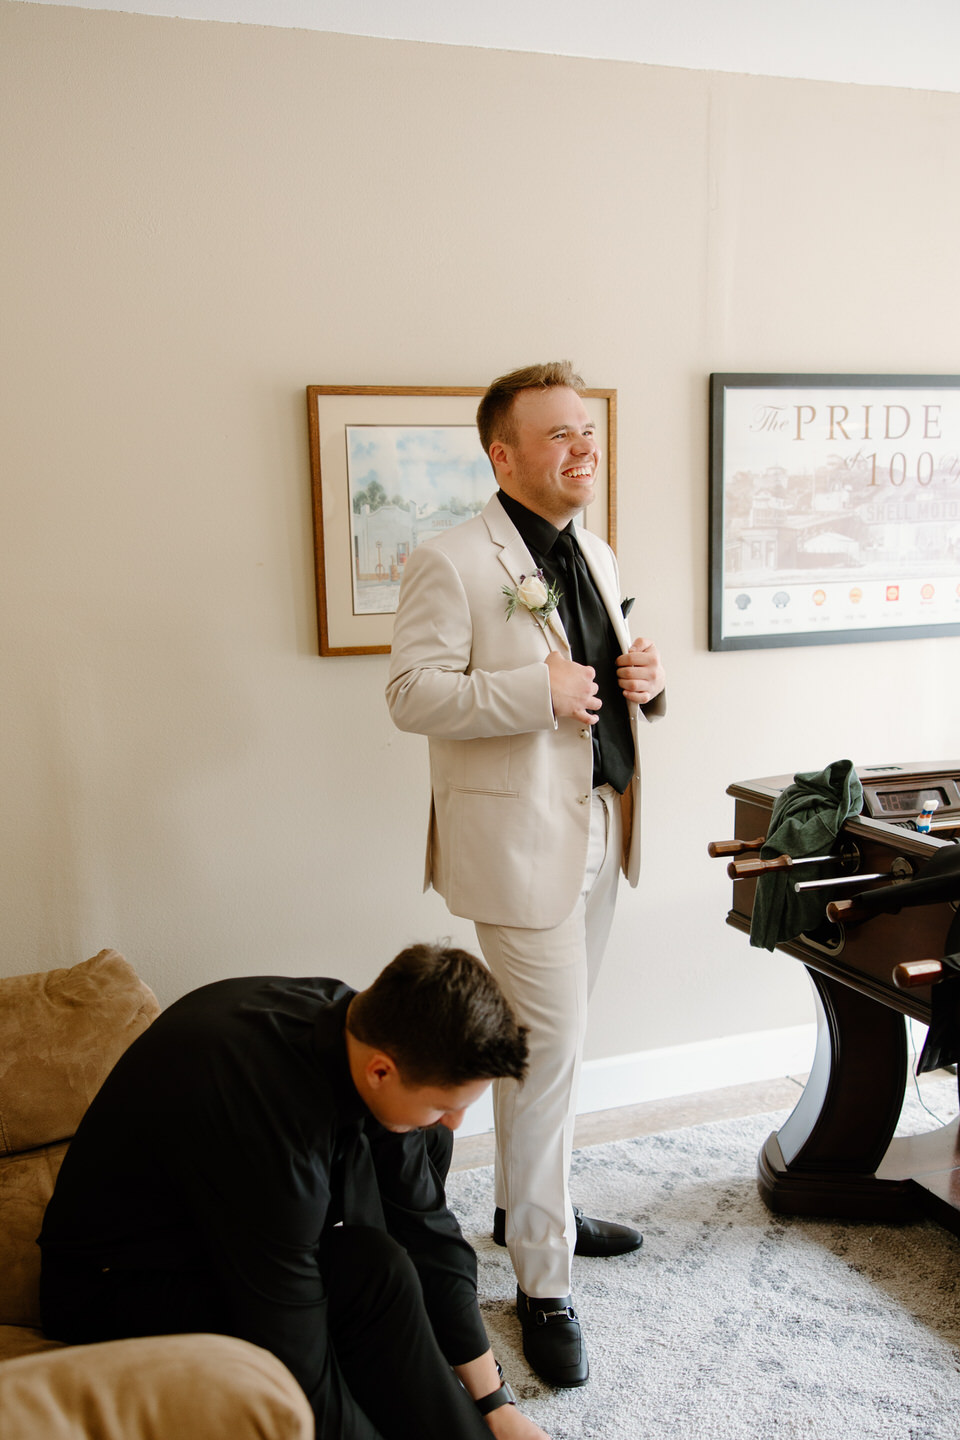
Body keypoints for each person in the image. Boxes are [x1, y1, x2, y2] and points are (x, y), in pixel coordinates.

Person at [386, 362, 666, 1389]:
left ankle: (521, 1209)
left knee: (545, 1051)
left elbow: (603, 679)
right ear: (503, 457)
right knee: (548, 1058)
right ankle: (543, 1283)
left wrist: (648, 681)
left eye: (587, 430)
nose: (582, 447)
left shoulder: (594, 546)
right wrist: (530, 690)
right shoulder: (451, 559)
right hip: (517, 848)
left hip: (602, 825)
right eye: (558, 434)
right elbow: (411, 693)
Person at [39, 944, 551, 1440]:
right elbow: (301, 1376)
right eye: (446, 1104)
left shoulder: (357, 1023)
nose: (457, 1121)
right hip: (113, 1288)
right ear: (380, 1071)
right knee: (375, 1271)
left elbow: (430, 1235)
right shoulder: (269, 1135)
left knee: (425, 1146)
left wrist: (495, 1405)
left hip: (219, 1221)